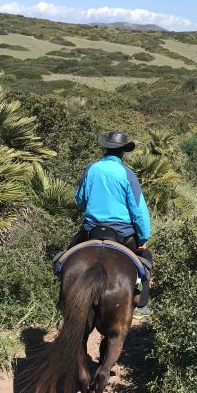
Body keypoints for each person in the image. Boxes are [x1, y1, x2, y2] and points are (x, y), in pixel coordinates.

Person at [68, 130, 153, 318]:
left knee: (65, 259)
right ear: (123, 151)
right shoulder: (127, 174)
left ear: (105, 148)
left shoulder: (91, 169)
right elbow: (138, 210)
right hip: (122, 234)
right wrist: (143, 237)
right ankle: (141, 304)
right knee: (144, 263)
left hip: (92, 230)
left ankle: (62, 296)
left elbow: (80, 199)